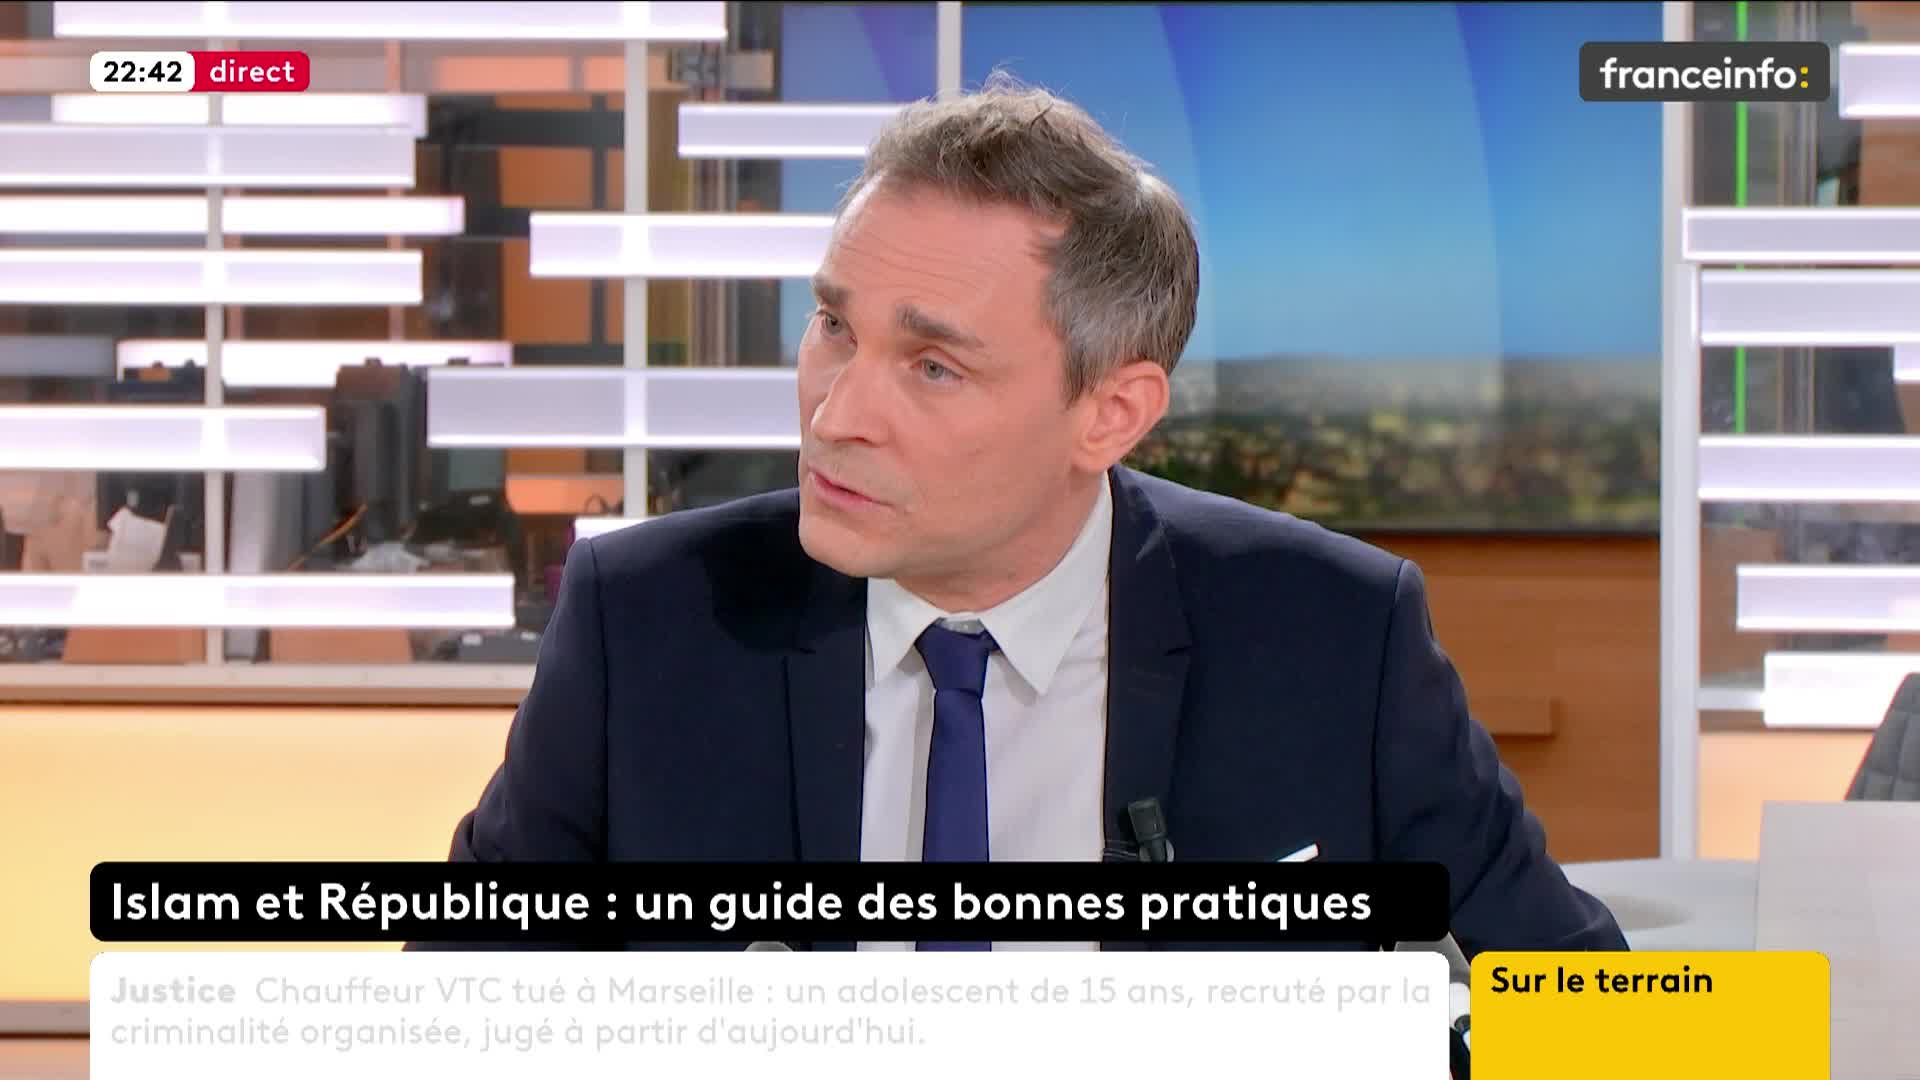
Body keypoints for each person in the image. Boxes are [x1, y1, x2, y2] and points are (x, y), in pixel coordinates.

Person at [425, 75, 1626, 955]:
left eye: (932, 366)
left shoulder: (1333, 636)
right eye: (834, 325)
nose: (837, 413)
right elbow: (449, 1008)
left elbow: (1588, 1017)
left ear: (1110, 413)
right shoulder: (645, 623)